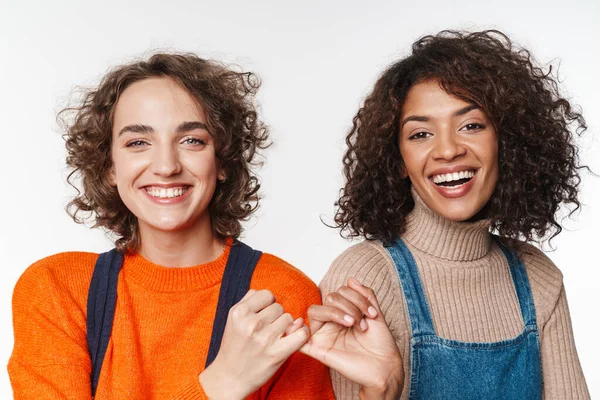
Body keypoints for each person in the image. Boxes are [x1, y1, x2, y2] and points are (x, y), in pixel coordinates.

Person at [8, 53, 334, 399]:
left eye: (192, 140)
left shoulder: (282, 294)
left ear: (222, 160)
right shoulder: (58, 289)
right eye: (138, 143)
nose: (166, 166)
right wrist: (222, 384)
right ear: (110, 167)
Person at [300, 30, 590, 399]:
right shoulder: (365, 280)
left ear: (507, 141)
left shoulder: (538, 278)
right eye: (420, 134)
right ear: (399, 161)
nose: (448, 150)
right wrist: (380, 389)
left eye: (471, 126)